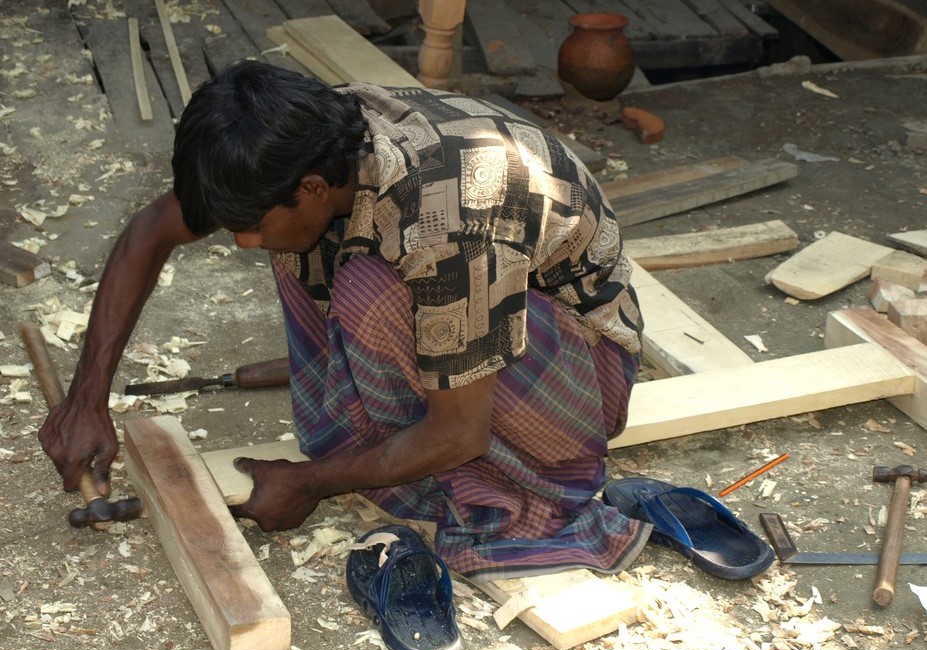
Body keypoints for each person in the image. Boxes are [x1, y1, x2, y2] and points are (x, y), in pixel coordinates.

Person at [39, 60, 648, 580]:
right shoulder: (311, 137)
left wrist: (313, 483)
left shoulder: (446, 221)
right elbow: (150, 232)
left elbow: (461, 434)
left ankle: (516, 496)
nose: (241, 243)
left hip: (578, 375)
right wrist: (86, 399)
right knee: (302, 250)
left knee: (368, 289)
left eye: (246, 224)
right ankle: (371, 443)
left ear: (309, 187)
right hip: (483, 318)